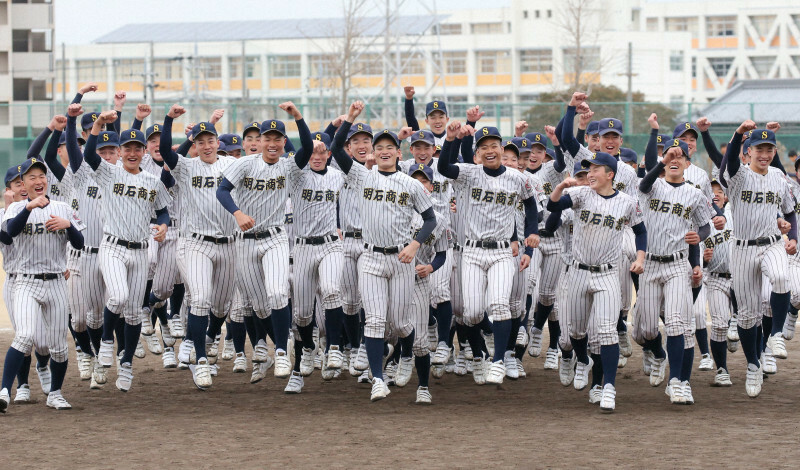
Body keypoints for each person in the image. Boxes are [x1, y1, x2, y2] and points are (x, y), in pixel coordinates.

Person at [331, 101, 437, 401]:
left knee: (403, 325)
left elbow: (431, 219)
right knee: (376, 320)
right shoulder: (363, 177)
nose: (385, 150)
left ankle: (421, 381)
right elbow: (338, 150)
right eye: (380, 147)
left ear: (398, 153)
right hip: (372, 258)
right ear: (373, 154)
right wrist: (350, 118)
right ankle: (377, 379)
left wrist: (415, 244)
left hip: (401, 260)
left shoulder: (410, 183)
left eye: (390, 146)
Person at [216, 102, 314, 381]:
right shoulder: (246, 163)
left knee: (277, 294)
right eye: (266, 138)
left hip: (274, 238)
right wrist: (237, 213)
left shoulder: (288, 167)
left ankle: (282, 352)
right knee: (258, 306)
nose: (272, 143)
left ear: (284, 142)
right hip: (245, 241)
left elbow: (306, 149)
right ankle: (277, 346)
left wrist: (298, 117)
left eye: (277, 139)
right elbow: (222, 191)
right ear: (259, 141)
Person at [438, 120, 540, 385]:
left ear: (501, 146)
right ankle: (484, 348)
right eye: (483, 147)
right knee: (470, 313)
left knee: (499, 304)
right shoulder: (469, 173)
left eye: (494, 144)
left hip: (503, 252)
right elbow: (443, 167)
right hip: (471, 252)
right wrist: (450, 139)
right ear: (478, 153)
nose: (489, 150)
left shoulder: (517, 177)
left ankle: (497, 362)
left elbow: (531, 206)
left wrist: (531, 237)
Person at [547, 150, 646, 413]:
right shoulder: (581, 194)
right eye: (588, 170)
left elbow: (640, 231)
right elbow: (553, 206)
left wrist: (640, 256)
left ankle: (609, 387)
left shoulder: (626, 202)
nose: (589, 174)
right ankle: (583, 360)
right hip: (578, 272)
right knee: (577, 333)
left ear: (609, 174)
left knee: (606, 331)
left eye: (595, 170)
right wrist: (560, 187)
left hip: (607, 274)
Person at [83, 110, 172, 392]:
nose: (132, 152)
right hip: (112, 246)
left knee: (134, 314)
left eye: (137, 147)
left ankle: (127, 365)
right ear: (119, 152)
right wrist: (98, 124)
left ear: (144, 152)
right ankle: (107, 341)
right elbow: (88, 156)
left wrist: (164, 226)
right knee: (118, 296)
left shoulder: (152, 180)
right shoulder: (109, 173)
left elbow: (163, 212)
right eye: (127, 148)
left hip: (139, 251)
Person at [0, 157, 85, 412]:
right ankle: (5, 391)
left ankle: (55, 393)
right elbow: (11, 233)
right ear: (23, 185)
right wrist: (28, 208)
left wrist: (68, 226)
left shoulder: (61, 207)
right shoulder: (14, 209)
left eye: (41, 176)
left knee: (58, 346)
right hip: (25, 282)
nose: (38, 181)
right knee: (25, 336)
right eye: (31, 177)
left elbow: (80, 243)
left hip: (56, 282)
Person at [720, 123, 797, 398]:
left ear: (774, 151)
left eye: (769, 149)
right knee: (748, 317)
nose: (764, 154)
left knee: (780, 277)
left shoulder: (779, 176)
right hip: (742, 249)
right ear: (748, 152)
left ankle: (775, 334)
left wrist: (794, 237)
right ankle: (753, 363)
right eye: (759, 149)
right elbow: (728, 162)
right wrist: (738, 133)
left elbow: (789, 212)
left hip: (772, 243)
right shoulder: (739, 176)